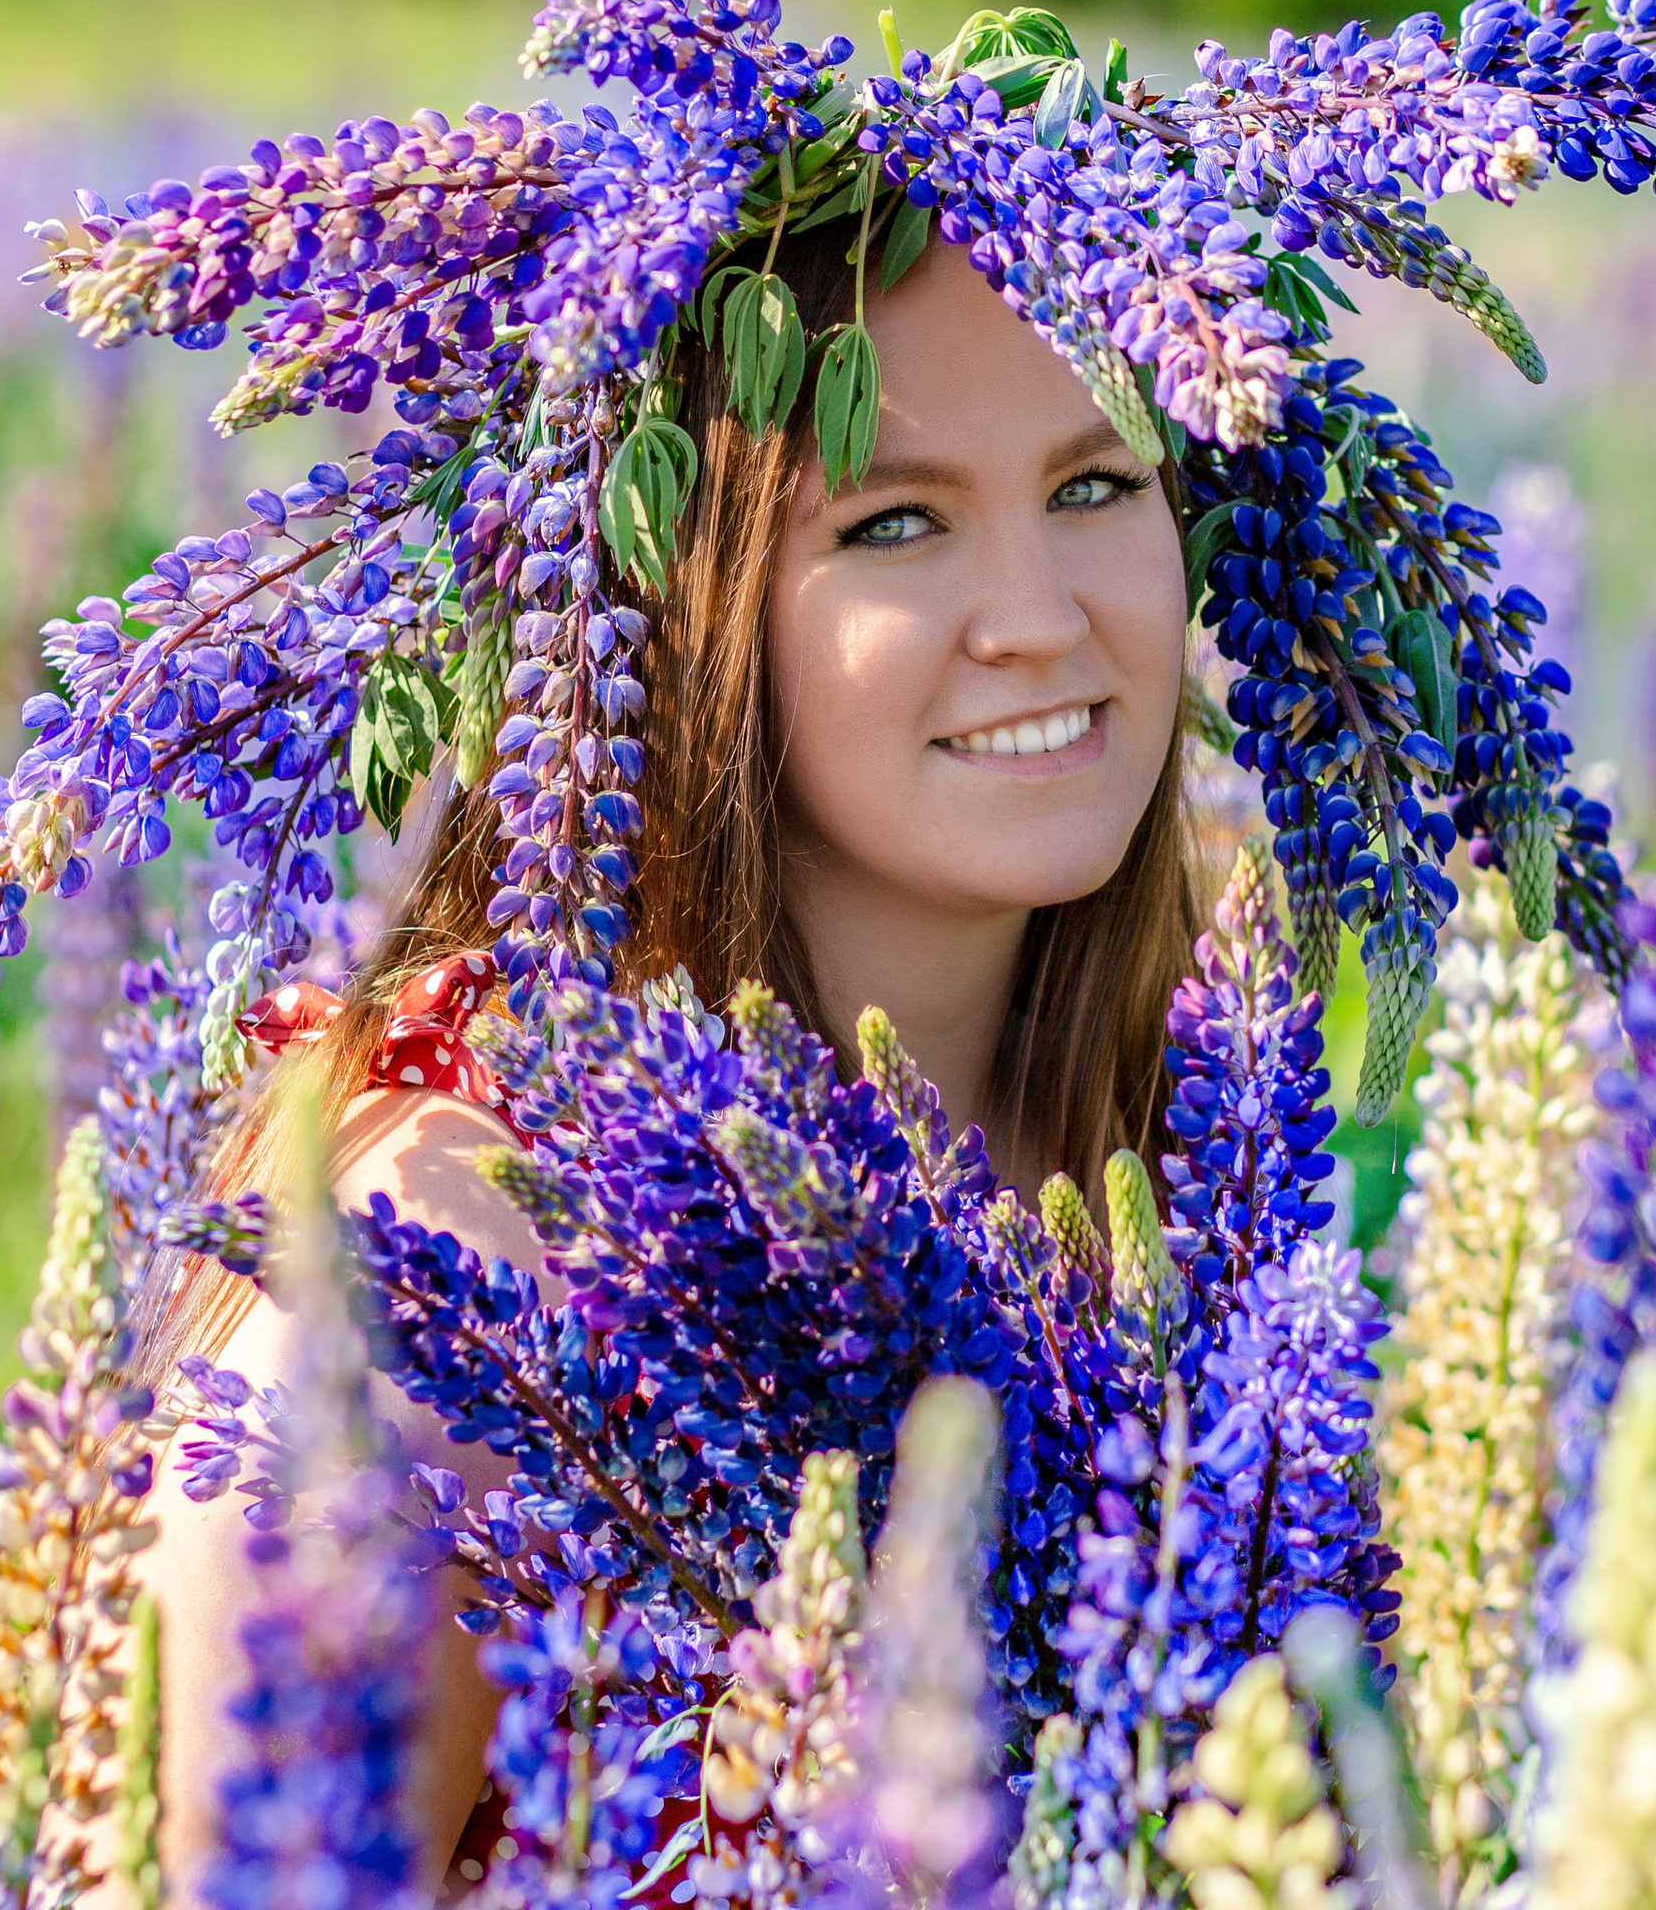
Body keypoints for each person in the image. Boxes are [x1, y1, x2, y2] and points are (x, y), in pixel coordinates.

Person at [130, 222, 1201, 1897]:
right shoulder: (452, 1242)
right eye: (896, 521)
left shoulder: (1177, 1144)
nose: (1039, 617)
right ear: (670, 605)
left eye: (1098, 483)